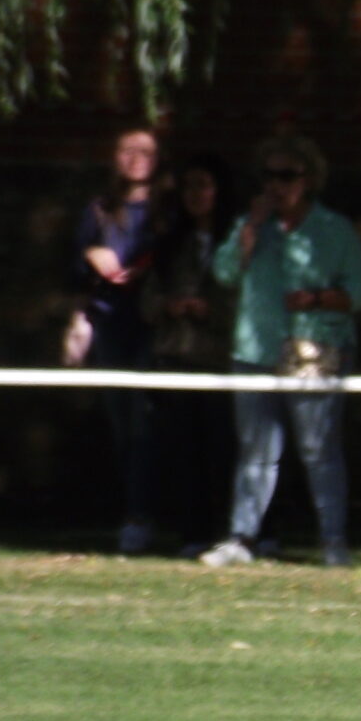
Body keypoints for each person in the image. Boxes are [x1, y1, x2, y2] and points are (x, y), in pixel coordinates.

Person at [200, 136, 361, 568]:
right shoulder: (252, 225)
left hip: (314, 349)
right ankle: (242, 538)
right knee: (255, 449)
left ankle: (333, 542)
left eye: (287, 176)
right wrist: (248, 233)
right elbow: (223, 273)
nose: (276, 185)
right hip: (255, 350)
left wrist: (317, 299)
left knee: (318, 450)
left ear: (308, 180)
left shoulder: (334, 230)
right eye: (268, 176)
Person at [62, 125, 166, 554]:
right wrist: (92, 257)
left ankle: (144, 515)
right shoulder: (101, 210)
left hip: (153, 325)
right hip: (110, 324)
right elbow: (73, 272)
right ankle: (133, 512)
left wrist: (146, 268)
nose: (136, 158)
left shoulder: (167, 209)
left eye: (145, 150)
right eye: (127, 149)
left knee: (146, 422)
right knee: (121, 423)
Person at [146, 151, 235, 546]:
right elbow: (147, 299)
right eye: (188, 187)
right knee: (183, 451)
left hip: (220, 360)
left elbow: (248, 301)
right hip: (177, 358)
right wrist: (168, 306)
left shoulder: (236, 242)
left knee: (224, 448)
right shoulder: (170, 243)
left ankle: (234, 532)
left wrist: (212, 311)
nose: (195, 195)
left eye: (203, 186)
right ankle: (192, 533)